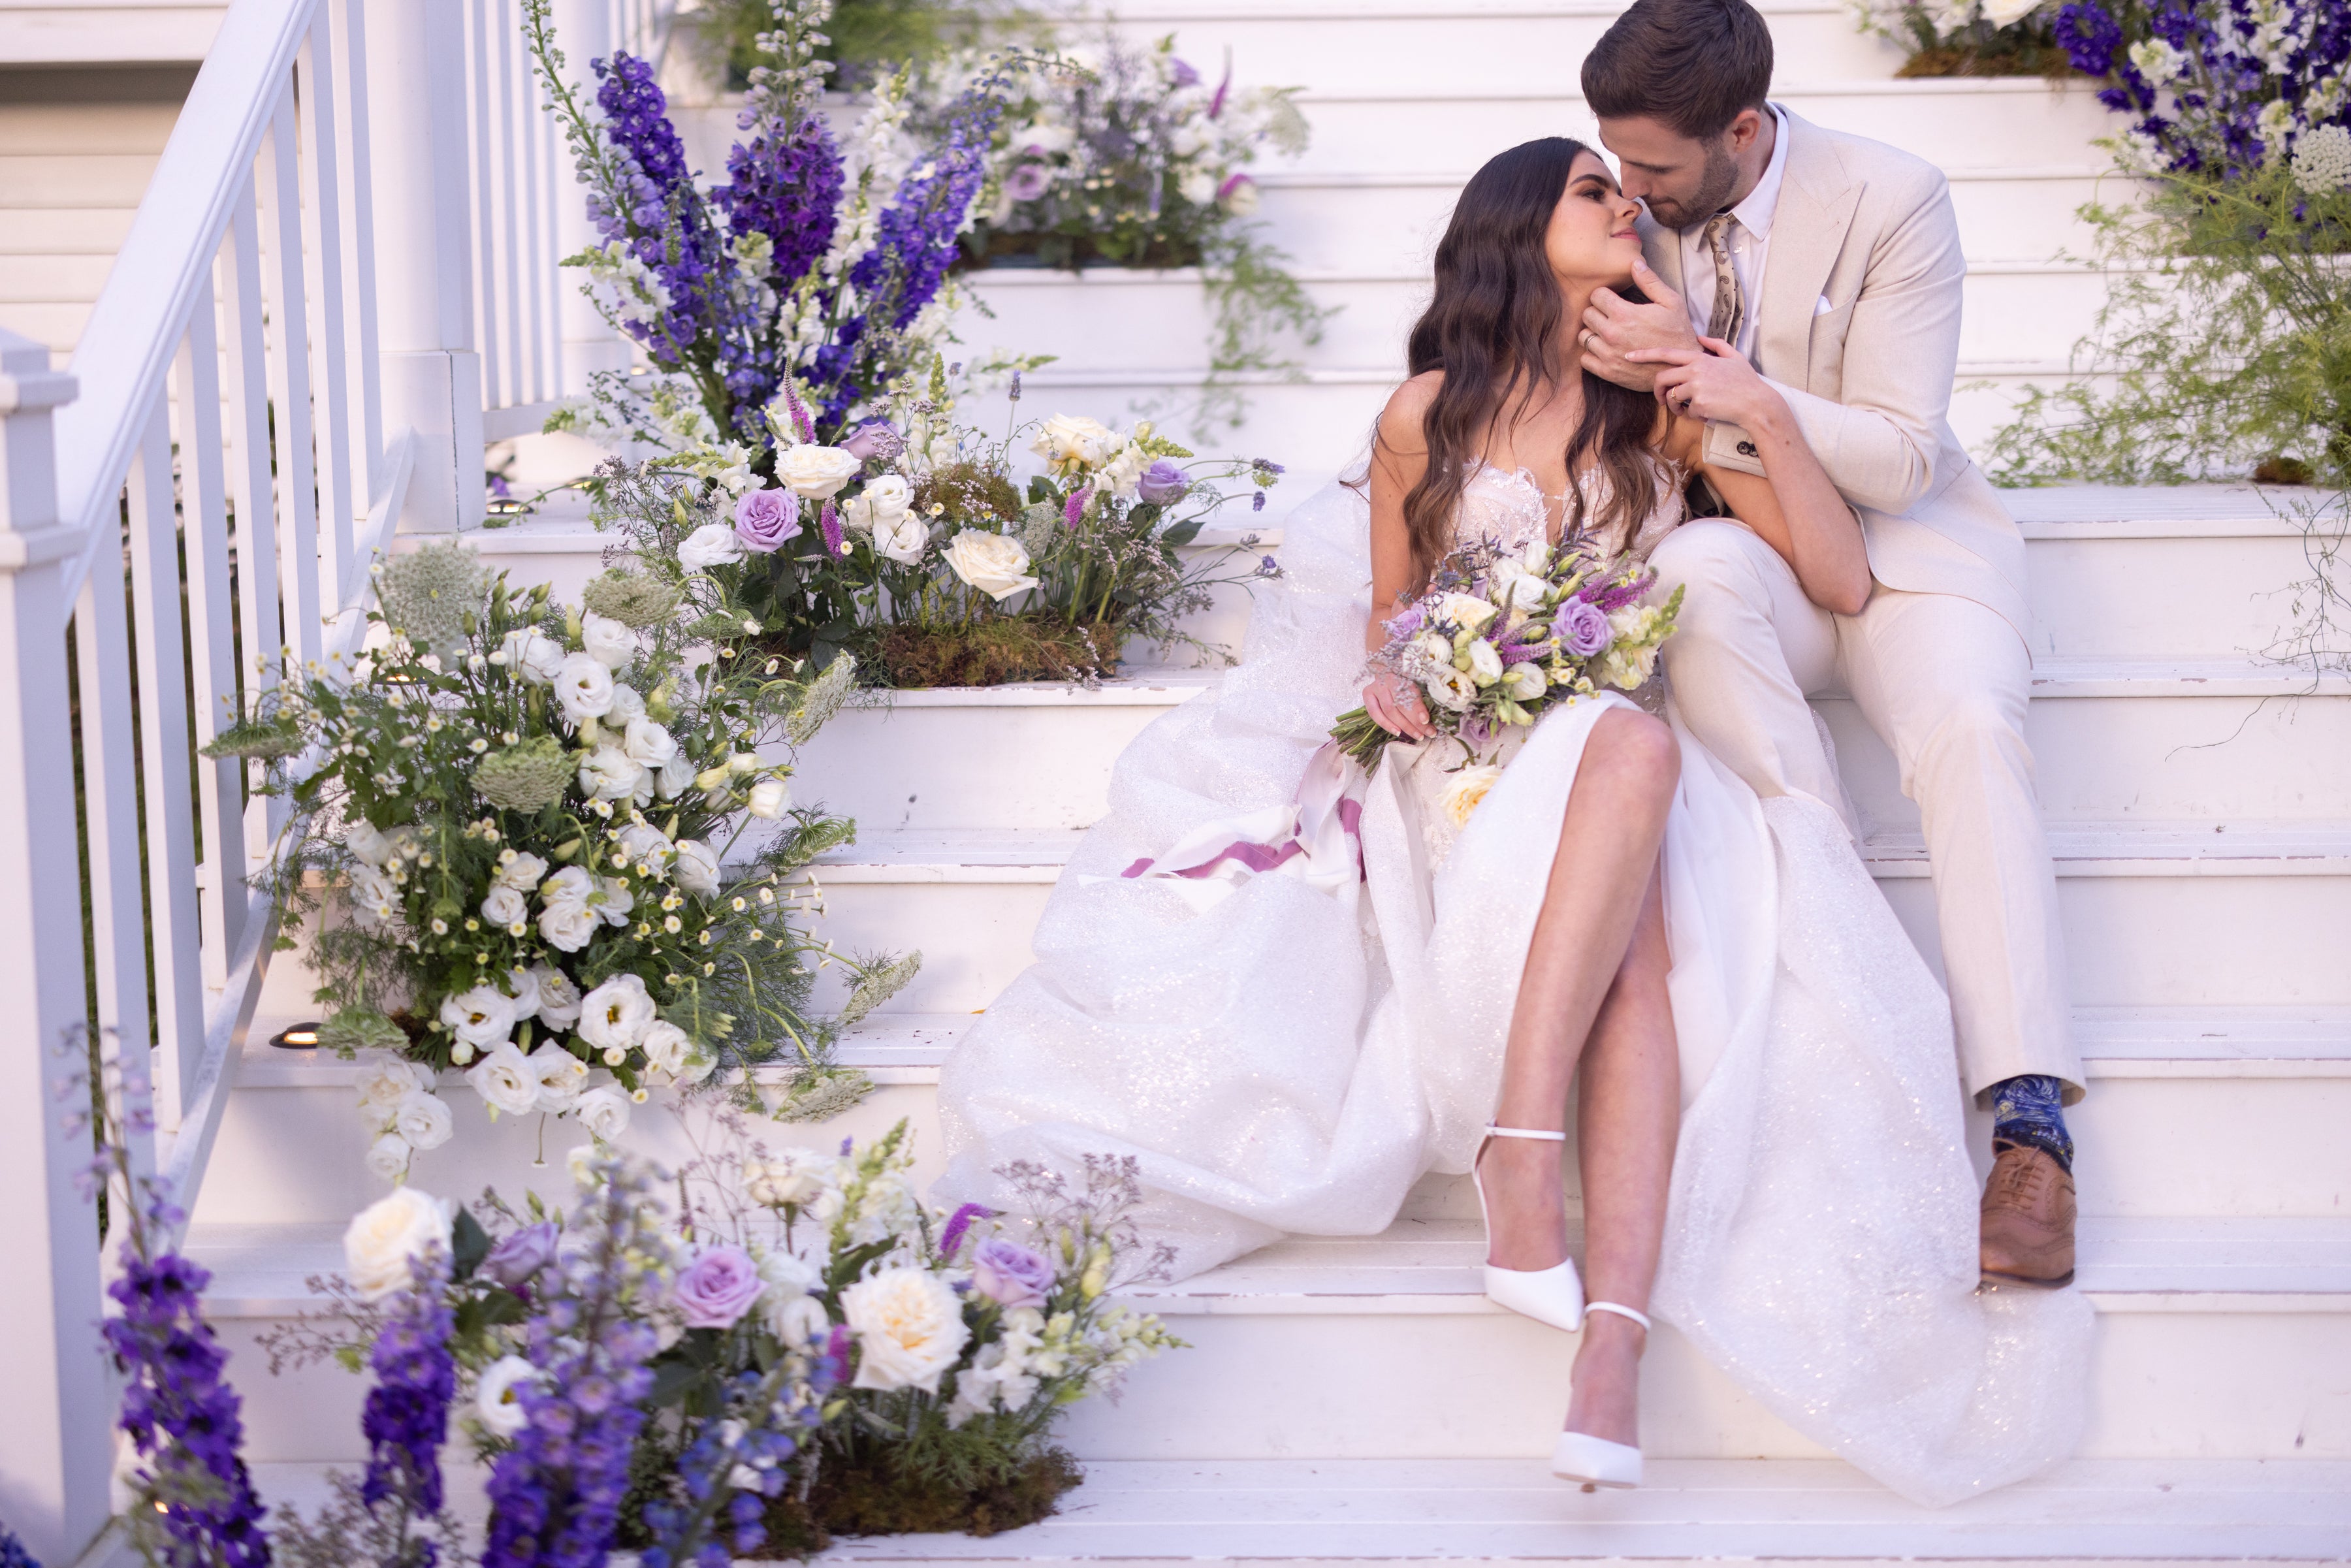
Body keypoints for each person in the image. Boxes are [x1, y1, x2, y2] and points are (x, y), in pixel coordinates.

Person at [935, 137, 2088, 1506]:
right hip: (1469, 770)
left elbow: (1840, 575)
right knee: (1639, 870)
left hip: (1614, 751)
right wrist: (1400, 677)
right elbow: (1385, 612)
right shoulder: (1424, 413)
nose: (1628, 207)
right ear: (1516, 231)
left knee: (1638, 797)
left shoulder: (1654, 414)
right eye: (1594, 190)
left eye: (1629, 188)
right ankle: (1563, 1250)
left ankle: (1592, 1309)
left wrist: (1747, 406)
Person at [1573, 0, 2082, 1287]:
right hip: (1744, 542)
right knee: (1690, 575)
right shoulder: (1620, 212)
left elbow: (1904, 452)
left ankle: (2029, 1121)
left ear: (1742, 130)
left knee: (1970, 725)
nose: (1627, 193)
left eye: (1656, 170)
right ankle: (1839, 962)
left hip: (1909, 555)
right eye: (1615, 163)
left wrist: (1718, 373)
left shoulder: (1893, 196)